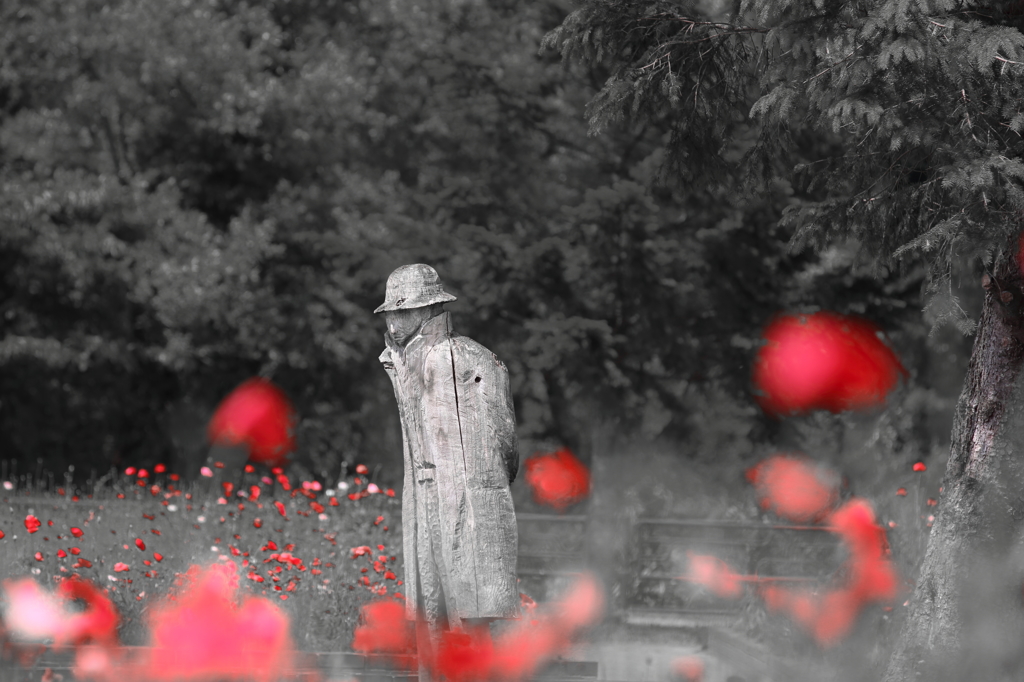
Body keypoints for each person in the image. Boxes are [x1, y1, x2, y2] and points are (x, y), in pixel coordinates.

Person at [376, 264, 520, 676]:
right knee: (430, 607)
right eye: (389, 312)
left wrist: (481, 490)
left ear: (429, 309)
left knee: (469, 607)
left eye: (402, 311)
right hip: (424, 498)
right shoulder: (400, 360)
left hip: (465, 498)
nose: (393, 320)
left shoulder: (467, 357)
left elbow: (504, 439)